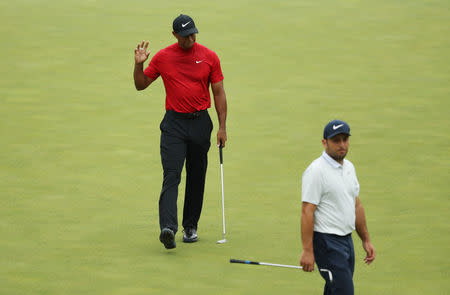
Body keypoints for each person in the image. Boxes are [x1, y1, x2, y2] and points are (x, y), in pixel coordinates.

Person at [133, 14, 227, 249]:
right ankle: (168, 228)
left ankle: (190, 226)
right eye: (185, 35)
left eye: (193, 33)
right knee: (172, 175)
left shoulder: (209, 56)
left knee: (197, 175)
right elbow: (141, 84)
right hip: (174, 124)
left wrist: (222, 127)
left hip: (200, 123)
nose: (191, 38)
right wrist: (139, 64)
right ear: (175, 35)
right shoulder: (164, 57)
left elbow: (218, 92)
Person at [299, 120, 375, 294]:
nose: (342, 145)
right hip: (326, 242)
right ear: (325, 142)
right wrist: (307, 251)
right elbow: (307, 211)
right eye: (336, 140)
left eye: (345, 139)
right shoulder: (316, 171)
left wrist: (366, 239)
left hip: (346, 241)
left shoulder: (349, 168)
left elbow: (356, 205)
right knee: (344, 291)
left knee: (334, 289)